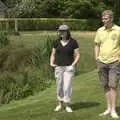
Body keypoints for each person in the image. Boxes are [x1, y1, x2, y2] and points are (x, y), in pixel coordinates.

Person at [94, 10, 120, 119]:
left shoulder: (118, 30)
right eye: (103, 18)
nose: (104, 20)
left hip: (115, 61)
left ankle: (113, 110)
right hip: (102, 61)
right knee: (105, 85)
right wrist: (97, 57)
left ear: (111, 18)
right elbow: (97, 45)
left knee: (113, 86)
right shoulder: (99, 31)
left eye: (106, 18)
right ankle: (108, 108)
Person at [50, 24, 80, 112]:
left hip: (69, 67)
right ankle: (60, 104)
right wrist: (51, 63)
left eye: (63, 31)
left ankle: (67, 105)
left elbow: (77, 55)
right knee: (59, 86)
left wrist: (73, 65)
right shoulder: (56, 42)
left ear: (68, 32)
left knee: (67, 87)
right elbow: (53, 54)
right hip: (58, 67)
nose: (61, 33)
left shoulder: (73, 42)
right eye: (60, 31)